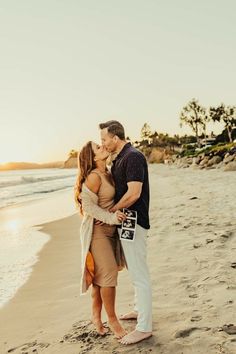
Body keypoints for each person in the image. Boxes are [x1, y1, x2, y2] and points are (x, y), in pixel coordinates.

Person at [99, 120, 152, 345]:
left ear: (116, 138)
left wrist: (112, 209)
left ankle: (144, 328)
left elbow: (134, 193)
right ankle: (139, 310)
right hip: (127, 222)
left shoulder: (133, 156)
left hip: (135, 220)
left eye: (104, 139)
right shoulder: (120, 158)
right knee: (134, 268)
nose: (103, 143)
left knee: (140, 274)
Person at [75, 141, 127, 339]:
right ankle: (112, 319)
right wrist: (111, 218)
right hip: (97, 233)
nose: (103, 147)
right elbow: (87, 205)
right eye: (98, 148)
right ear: (92, 157)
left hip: (111, 232)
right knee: (109, 274)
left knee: (100, 276)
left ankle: (96, 316)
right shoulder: (94, 177)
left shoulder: (108, 172)